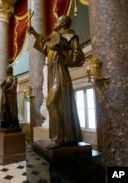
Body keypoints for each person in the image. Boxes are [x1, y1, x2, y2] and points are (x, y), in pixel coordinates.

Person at [28, 15, 85, 149]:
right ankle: (63, 137)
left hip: (60, 71)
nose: (55, 22)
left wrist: (63, 52)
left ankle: (59, 138)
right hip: (51, 72)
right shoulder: (55, 38)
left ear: (64, 23)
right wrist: (34, 33)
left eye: (58, 20)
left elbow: (79, 57)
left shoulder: (71, 37)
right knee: (55, 104)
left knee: (52, 102)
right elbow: (45, 46)